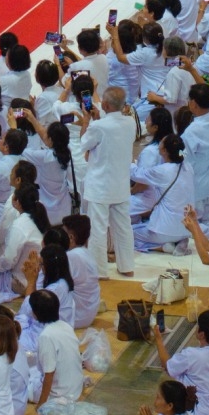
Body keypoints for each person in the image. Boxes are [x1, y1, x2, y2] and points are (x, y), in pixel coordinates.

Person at [78, 86, 137, 277]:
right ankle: (127, 267)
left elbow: (84, 144)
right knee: (123, 228)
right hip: (120, 184)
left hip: (100, 186)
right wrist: (97, 120)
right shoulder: (130, 123)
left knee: (98, 229)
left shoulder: (98, 126)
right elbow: (109, 135)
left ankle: (100, 271)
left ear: (105, 104)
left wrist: (87, 121)